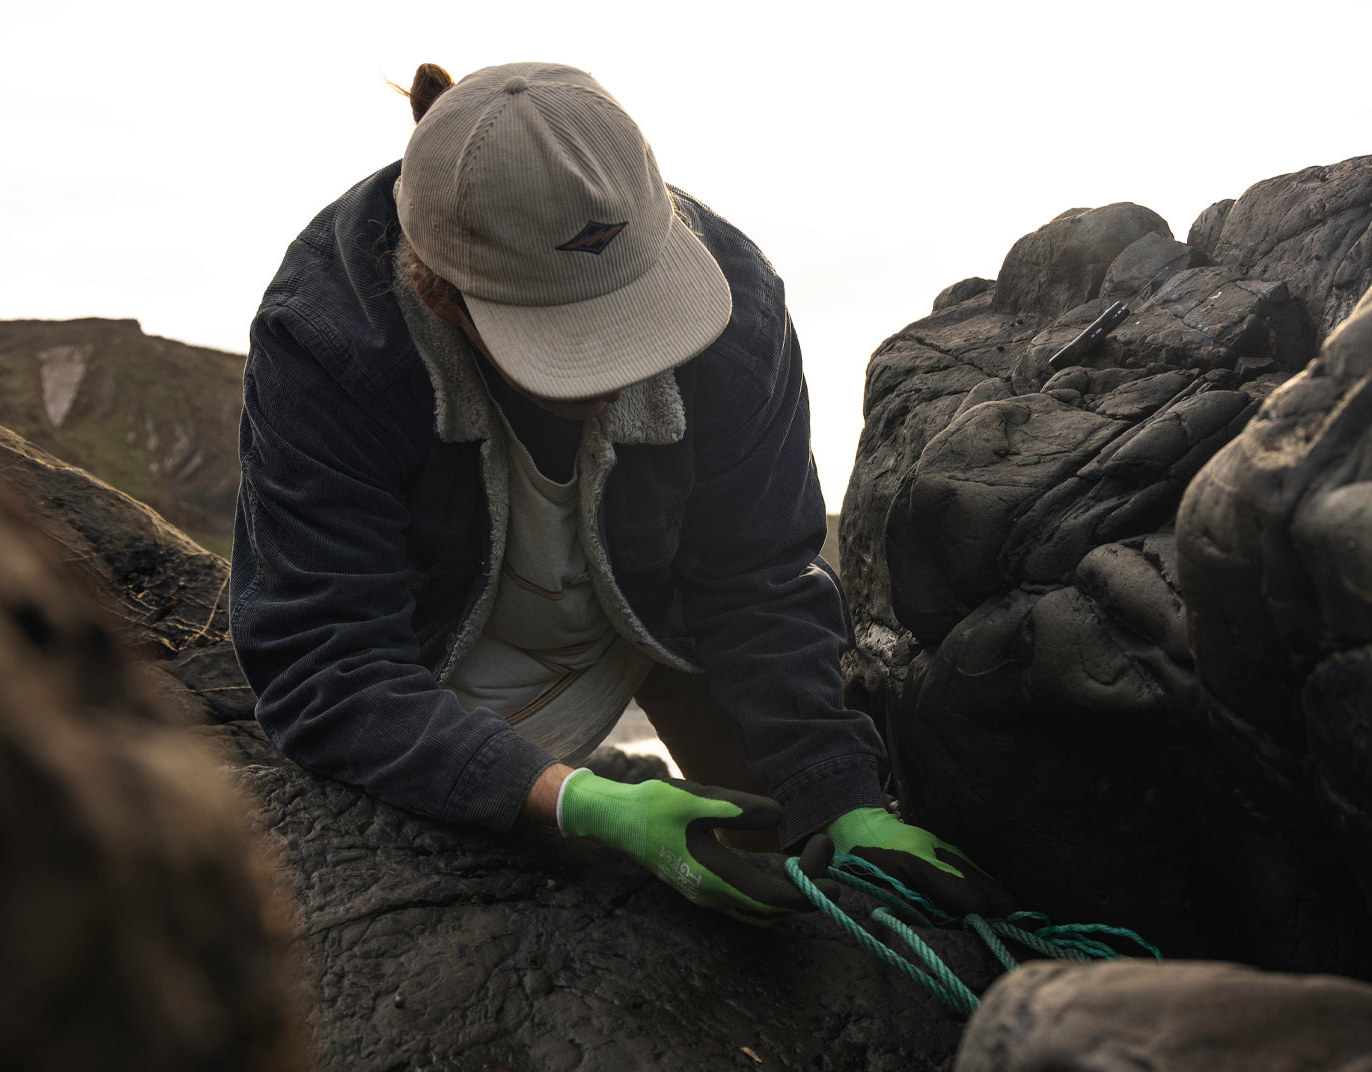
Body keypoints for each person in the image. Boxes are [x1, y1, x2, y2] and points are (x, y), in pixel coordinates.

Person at [230, 61, 1013, 924]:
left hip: (657, 619)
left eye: (632, 319)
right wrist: (577, 801)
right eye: (567, 342)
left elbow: (756, 579)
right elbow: (326, 660)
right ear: (441, 298)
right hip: (439, 658)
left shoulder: (740, 302)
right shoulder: (329, 337)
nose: (613, 369)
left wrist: (843, 794)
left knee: (807, 894)